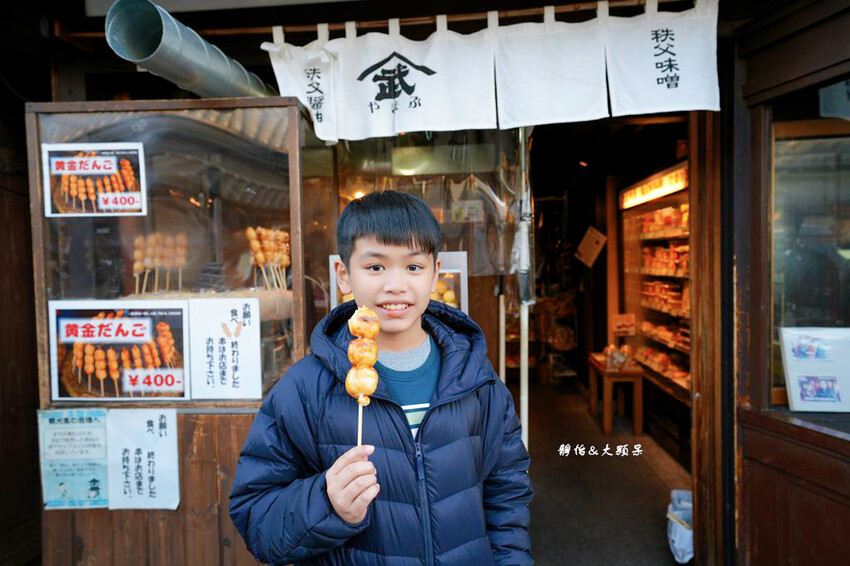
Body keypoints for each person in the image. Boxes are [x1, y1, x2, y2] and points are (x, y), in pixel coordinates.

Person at [229, 190, 533, 565]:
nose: (396, 285)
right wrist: (327, 504)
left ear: (436, 273)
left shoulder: (476, 381)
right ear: (344, 276)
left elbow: (507, 499)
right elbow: (256, 520)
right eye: (375, 267)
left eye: (413, 267)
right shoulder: (305, 389)